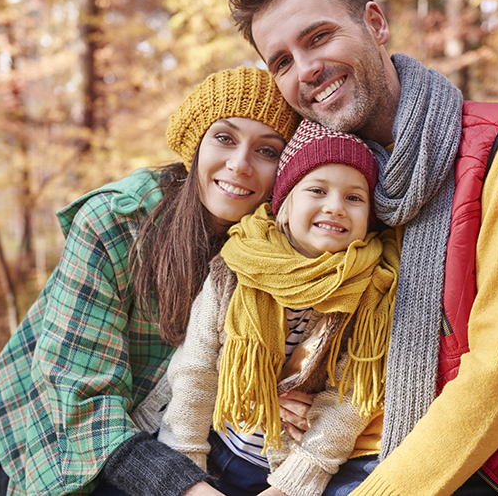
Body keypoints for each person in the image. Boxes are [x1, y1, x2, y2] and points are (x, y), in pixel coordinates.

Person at [227, 0, 498, 495]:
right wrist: (289, 383)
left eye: (319, 36)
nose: (306, 68)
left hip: (488, 469)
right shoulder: (330, 182)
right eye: (283, 61)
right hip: (319, 456)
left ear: (375, 23)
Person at [0, 66, 301, 496]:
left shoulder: (276, 247)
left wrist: (266, 394)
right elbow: (80, 396)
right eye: (224, 138)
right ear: (196, 143)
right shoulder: (116, 224)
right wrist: (184, 488)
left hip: (183, 443)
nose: (240, 165)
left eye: (267, 150)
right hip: (72, 447)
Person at [156, 119, 398, 496]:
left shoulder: (368, 292)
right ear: (283, 207)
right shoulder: (237, 267)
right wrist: (187, 473)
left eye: (354, 198)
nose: (335, 207)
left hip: (286, 467)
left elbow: (348, 404)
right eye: (317, 190)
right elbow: (195, 372)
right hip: (210, 446)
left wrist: (291, 487)